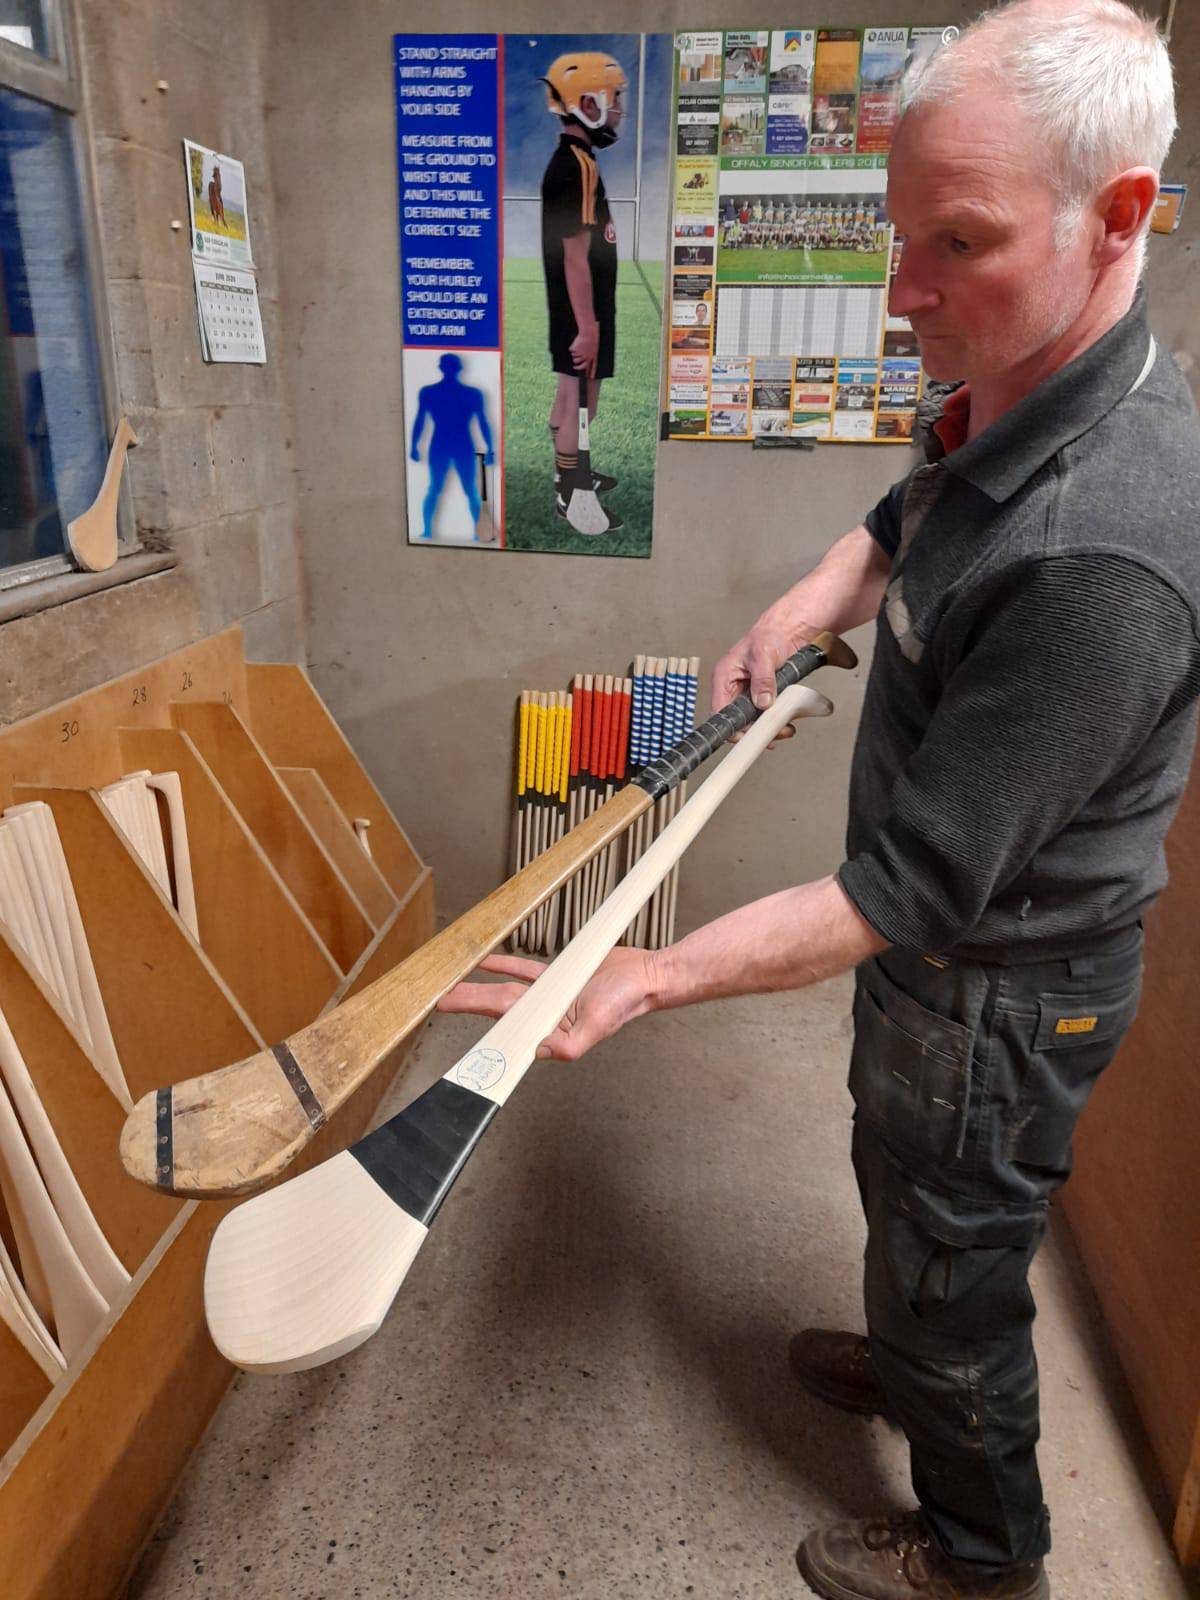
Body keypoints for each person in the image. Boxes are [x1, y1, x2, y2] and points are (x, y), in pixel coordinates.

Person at [443, 3, 1195, 1596]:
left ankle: (981, 1553)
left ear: (1119, 215)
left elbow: (898, 895)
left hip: (997, 989)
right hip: (937, 965)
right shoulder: (1019, 375)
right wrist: (804, 605)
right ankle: (913, 1335)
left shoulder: (1104, 554)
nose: (904, 293)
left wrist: (646, 974)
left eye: (956, 244)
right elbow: (909, 509)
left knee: (959, 1261)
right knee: (905, 1188)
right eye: (900, 237)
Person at [540, 52, 624, 534]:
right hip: (582, 311)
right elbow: (575, 255)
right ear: (588, 103)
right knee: (580, 401)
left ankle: (567, 474)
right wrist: (588, 327)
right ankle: (572, 493)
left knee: (570, 395)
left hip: (577, 308)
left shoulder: (576, 161)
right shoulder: (577, 166)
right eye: (615, 99)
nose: (619, 111)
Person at [408, 353, 493, 541]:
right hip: (450, 444)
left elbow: (483, 422)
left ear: (442, 368)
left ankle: (472, 532)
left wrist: (491, 448)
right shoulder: (433, 393)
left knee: (465, 489)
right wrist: (413, 445)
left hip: (452, 444)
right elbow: (419, 420)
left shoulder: (466, 393)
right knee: (442, 489)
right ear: (458, 369)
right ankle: (428, 530)